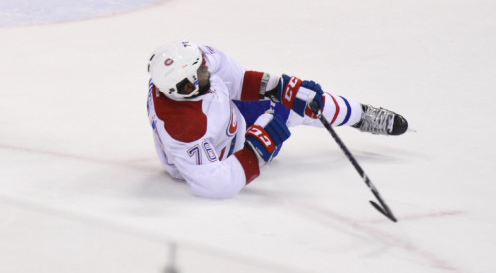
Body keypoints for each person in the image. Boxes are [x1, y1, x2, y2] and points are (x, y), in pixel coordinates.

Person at [146, 40, 408, 199]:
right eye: (201, 73)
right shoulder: (185, 127)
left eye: (202, 66)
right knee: (296, 109)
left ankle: (359, 114)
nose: (207, 70)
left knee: (300, 99)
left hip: (227, 115)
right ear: (184, 88)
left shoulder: (190, 67)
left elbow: (235, 79)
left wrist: (280, 87)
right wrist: (257, 147)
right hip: (227, 152)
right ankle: (358, 116)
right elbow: (215, 184)